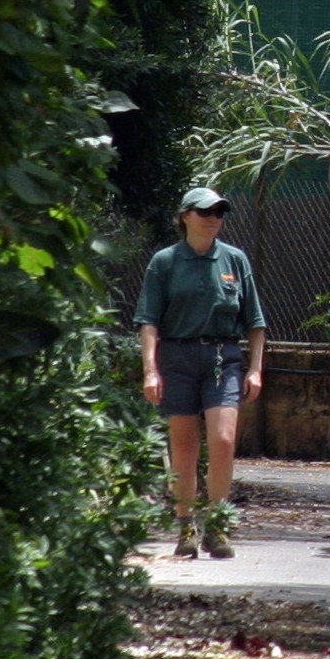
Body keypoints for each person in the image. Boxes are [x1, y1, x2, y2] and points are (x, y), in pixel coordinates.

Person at [134, 187, 268, 558]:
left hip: (223, 358)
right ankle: (186, 527)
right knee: (184, 446)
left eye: (219, 212)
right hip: (176, 358)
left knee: (223, 441)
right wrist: (151, 371)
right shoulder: (164, 262)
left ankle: (217, 524)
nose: (213, 218)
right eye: (205, 211)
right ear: (184, 216)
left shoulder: (235, 260)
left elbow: (255, 323)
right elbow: (148, 322)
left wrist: (255, 370)